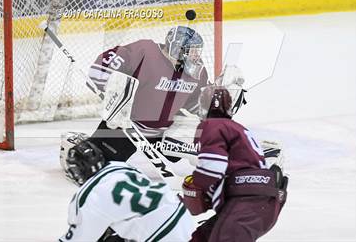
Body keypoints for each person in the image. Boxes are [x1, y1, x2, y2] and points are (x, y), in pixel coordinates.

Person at [85, 25, 209, 162]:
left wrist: (214, 108)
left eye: (197, 51)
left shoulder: (197, 72)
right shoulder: (145, 51)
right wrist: (111, 88)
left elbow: (196, 102)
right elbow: (99, 71)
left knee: (197, 156)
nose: (196, 56)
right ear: (176, 48)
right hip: (128, 128)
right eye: (191, 51)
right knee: (99, 162)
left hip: (162, 133)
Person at [181, 86, 288, 242]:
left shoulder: (212, 126)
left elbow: (212, 169)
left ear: (203, 106)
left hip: (247, 202)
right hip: (261, 202)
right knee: (201, 238)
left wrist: (196, 187)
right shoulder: (237, 128)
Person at [59, 137, 196, 242]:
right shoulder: (120, 166)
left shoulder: (88, 195)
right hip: (182, 215)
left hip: (159, 234)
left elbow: (79, 238)